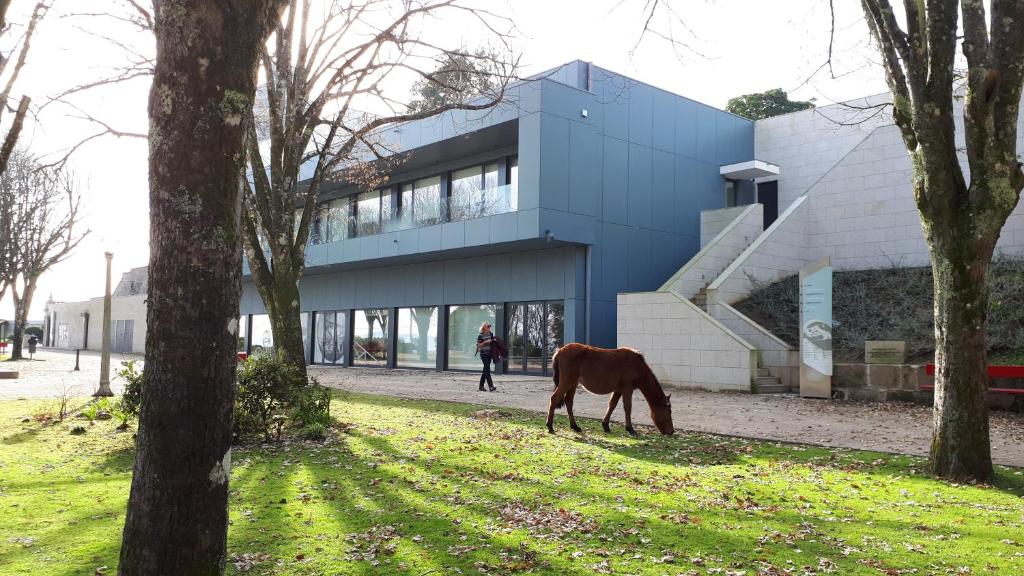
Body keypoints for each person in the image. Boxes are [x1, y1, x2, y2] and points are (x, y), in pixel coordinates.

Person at [476, 321, 497, 392]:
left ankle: (481, 386)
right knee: (487, 370)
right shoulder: (480, 336)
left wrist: (494, 341)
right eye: (488, 326)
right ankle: (491, 386)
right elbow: (478, 346)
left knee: (485, 371)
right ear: (483, 328)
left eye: (489, 326)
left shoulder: (491, 334)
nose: (489, 327)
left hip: (489, 355)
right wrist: (485, 342)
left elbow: (493, 344)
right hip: (483, 354)